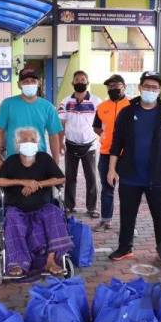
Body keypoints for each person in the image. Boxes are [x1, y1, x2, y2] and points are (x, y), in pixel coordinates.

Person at [107, 71, 161, 264]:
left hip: (157, 176)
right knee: (127, 215)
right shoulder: (127, 112)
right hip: (130, 175)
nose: (150, 90)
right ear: (140, 88)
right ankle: (125, 248)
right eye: (147, 87)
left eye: (154, 87)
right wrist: (111, 169)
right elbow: (117, 143)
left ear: (159, 90)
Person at [0, 127, 72, 276]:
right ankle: (17, 263)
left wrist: (38, 184)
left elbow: (60, 178)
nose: (29, 143)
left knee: (54, 213)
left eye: (32, 140)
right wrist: (23, 182)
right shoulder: (12, 161)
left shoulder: (44, 158)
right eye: (24, 140)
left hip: (42, 206)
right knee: (12, 217)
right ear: (17, 144)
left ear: (38, 143)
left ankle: (50, 261)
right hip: (17, 208)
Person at [0, 67, 63, 172]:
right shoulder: (7, 104)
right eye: (25, 81)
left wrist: (56, 161)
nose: (29, 84)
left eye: (33, 81)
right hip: (13, 160)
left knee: (40, 188)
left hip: (39, 160)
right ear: (19, 84)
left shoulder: (48, 107)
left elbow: (53, 136)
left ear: (39, 83)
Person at [58, 70, 102, 218]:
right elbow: (61, 123)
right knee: (70, 177)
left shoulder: (96, 101)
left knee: (91, 177)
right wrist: (60, 142)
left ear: (87, 83)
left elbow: (101, 124)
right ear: (73, 83)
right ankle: (69, 207)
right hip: (70, 145)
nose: (80, 82)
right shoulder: (65, 102)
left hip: (89, 146)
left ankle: (92, 208)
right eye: (77, 79)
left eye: (83, 79)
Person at [92, 74, 131, 232]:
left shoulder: (132, 105)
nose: (113, 88)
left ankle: (128, 223)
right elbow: (96, 126)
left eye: (116, 85)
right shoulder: (102, 107)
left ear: (124, 86)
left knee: (128, 190)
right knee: (107, 188)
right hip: (107, 153)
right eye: (110, 86)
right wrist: (104, 135)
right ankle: (106, 220)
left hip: (128, 155)